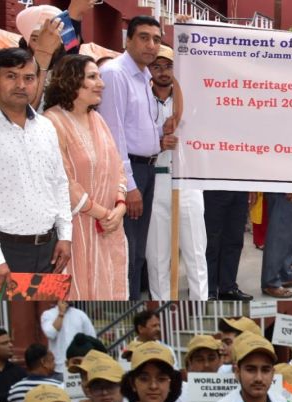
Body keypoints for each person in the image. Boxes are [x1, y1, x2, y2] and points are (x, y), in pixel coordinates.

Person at [43, 54, 129, 299]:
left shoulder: (98, 119)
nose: (101, 83)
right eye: (92, 77)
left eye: (99, 77)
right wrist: (103, 213)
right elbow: (63, 181)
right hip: (74, 230)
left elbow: (117, 167)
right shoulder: (51, 121)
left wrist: (120, 205)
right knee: (73, 294)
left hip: (109, 227)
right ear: (70, 80)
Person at [97, 16, 168, 300]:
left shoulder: (144, 77)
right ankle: (125, 302)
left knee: (138, 251)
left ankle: (134, 298)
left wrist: (163, 134)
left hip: (147, 169)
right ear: (128, 40)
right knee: (127, 250)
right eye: (144, 37)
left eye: (156, 39)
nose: (151, 45)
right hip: (130, 172)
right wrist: (129, 185)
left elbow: (139, 127)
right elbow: (113, 134)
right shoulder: (115, 74)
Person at [0, 47, 71, 288]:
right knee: (13, 310)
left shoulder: (46, 127)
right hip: (7, 253)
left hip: (50, 251)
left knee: (49, 308)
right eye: (11, 76)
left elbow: (59, 183)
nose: (21, 85)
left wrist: (65, 236)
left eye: (29, 78)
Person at [145, 44, 208, 300]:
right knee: (157, 256)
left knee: (195, 252)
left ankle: (199, 304)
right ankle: (161, 305)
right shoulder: (142, 99)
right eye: (157, 66)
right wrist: (158, 139)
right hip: (155, 180)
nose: (163, 71)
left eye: (169, 66)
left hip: (188, 179)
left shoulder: (192, 101)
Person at [261, 193, 292, 299]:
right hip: (284, 188)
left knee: (289, 232)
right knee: (279, 232)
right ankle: (271, 282)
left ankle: (285, 275)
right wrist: (289, 186)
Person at [204, 191, 254, 301]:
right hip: (213, 188)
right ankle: (208, 290)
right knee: (210, 241)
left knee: (235, 239)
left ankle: (227, 288)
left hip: (240, 189)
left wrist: (251, 188)